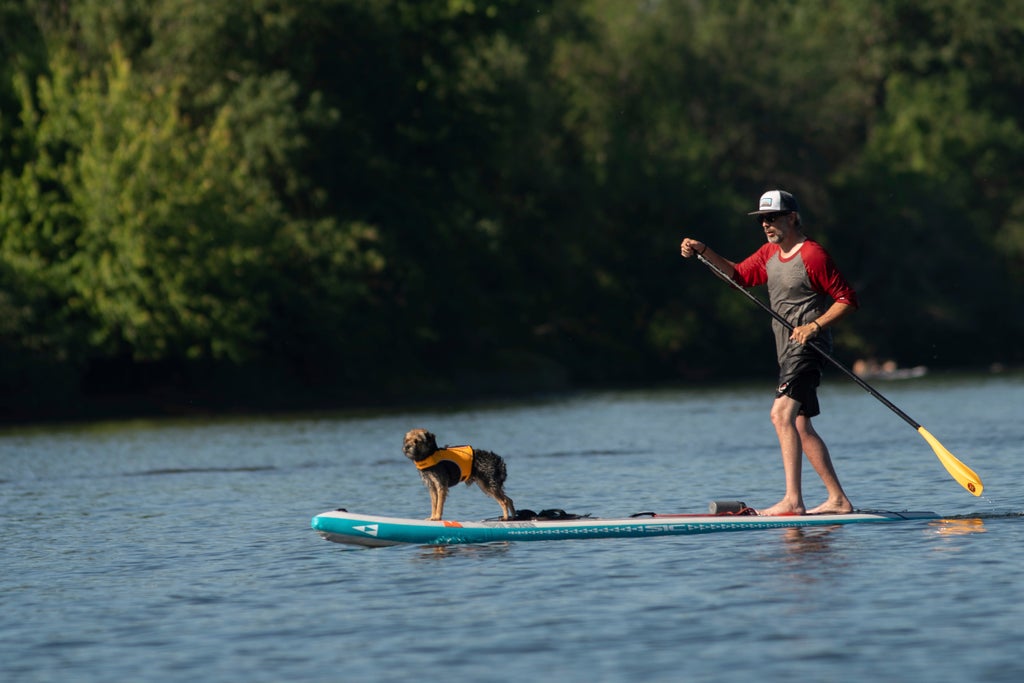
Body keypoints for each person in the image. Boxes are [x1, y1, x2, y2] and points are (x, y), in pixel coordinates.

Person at [680, 189, 858, 515]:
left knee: (780, 415)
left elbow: (847, 299)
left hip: (808, 348)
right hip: (786, 351)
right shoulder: (769, 254)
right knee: (801, 426)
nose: (765, 224)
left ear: (792, 217)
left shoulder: (813, 256)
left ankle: (793, 500)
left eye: (772, 217)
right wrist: (705, 251)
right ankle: (838, 500)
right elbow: (740, 277)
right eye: (762, 219)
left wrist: (814, 327)